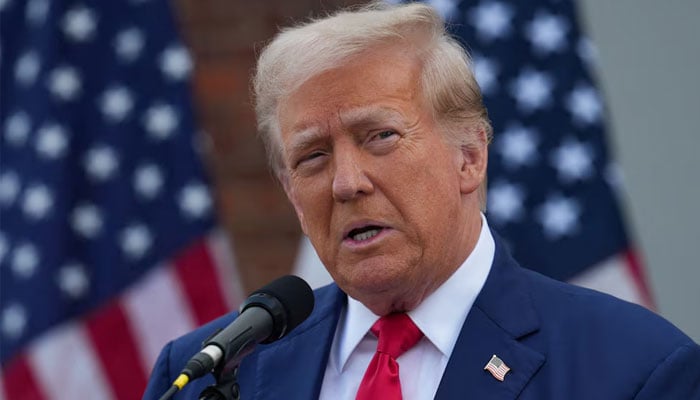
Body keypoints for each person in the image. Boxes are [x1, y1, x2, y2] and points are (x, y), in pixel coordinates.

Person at [143, 2, 700, 399]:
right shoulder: (209, 373)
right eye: (312, 157)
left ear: (470, 158)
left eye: (380, 137)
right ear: (291, 193)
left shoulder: (635, 369)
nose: (345, 182)